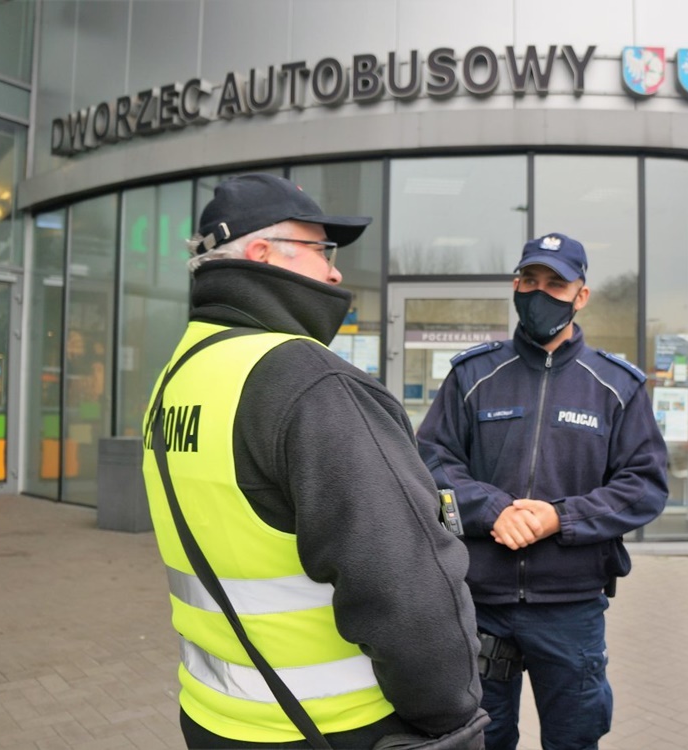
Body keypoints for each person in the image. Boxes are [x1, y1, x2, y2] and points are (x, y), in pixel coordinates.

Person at [141, 173, 486, 749]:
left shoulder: (179, 375)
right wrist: (453, 715)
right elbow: (405, 586)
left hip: (215, 718)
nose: (334, 272)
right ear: (261, 253)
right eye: (321, 249)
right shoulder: (308, 380)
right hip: (340, 727)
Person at [417, 233, 669, 750]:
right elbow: (430, 462)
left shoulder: (616, 385)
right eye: (529, 281)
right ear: (515, 285)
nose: (540, 293)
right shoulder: (472, 375)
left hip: (571, 608)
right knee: (480, 740)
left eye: (556, 284)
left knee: (574, 739)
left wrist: (562, 518)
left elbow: (643, 485)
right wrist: (494, 511)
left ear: (582, 295)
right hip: (480, 602)